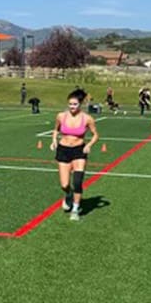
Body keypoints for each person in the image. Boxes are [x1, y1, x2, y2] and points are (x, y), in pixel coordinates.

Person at [51, 89, 100, 220]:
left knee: (77, 181)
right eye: (70, 104)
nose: (72, 107)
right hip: (63, 150)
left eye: (75, 104)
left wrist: (89, 145)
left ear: (80, 104)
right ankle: (68, 195)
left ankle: (75, 209)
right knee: (64, 185)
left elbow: (95, 135)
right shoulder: (61, 116)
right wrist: (54, 141)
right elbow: (55, 130)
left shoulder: (87, 119)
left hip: (79, 151)